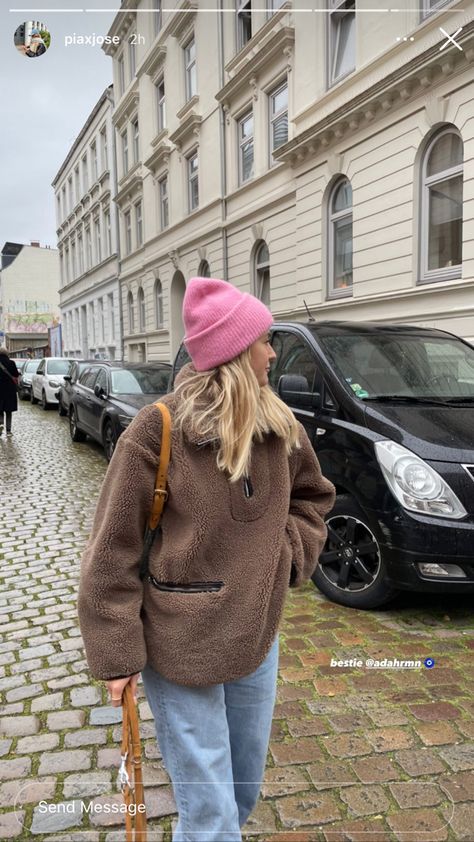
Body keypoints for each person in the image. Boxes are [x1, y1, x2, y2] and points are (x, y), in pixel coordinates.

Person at [78, 277, 336, 842]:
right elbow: (111, 552)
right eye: (265, 341)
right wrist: (117, 652)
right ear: (237, 352)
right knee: (211, 814)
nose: (273, 352)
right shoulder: (158, 429)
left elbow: (313, 498)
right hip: (179, 647)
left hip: (255, 640)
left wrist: (285, 559)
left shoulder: (280, 427)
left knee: (241, 792)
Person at [0, 348, 20, 437]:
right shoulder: (11, 363)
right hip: (9, 390)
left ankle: (0, 424)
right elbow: (16, 374)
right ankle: (8, 431)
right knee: (8, 411)